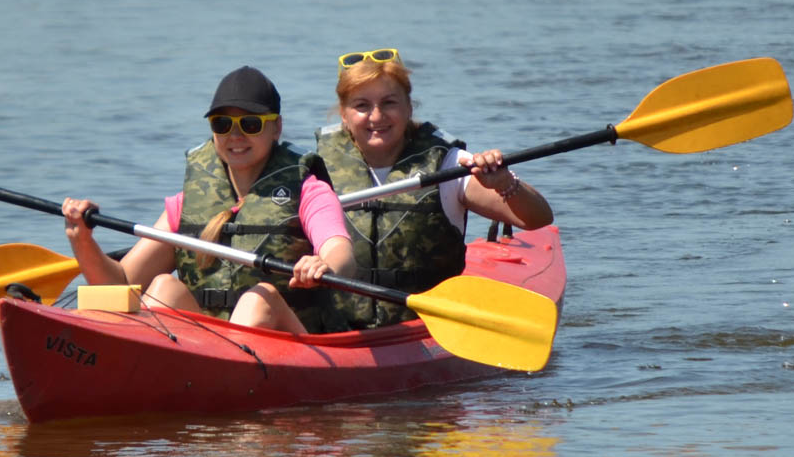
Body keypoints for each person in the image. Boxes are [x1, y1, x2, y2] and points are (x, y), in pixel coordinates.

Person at [60, 66, 356, 334]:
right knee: (164, 287)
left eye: (250, 124)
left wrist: (323, 265)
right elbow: (121, 284)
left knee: (259, 297)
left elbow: (340, 251)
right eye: (222, 124)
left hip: (295, 344)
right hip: (209, 350)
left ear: (276, 127)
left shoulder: (308, 190)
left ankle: (217, 377)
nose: (235, 135)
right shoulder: (187, 203)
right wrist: (82, 241)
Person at [313, 47, 553, 330]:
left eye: (389, 103)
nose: (376, 117)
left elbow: (538, 219)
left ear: (409, 108)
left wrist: (504, 183)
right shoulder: (315, 169)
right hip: (336, 328)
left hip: (428, 325)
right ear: (344, 114)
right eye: (362, 106)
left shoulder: (448, 165)